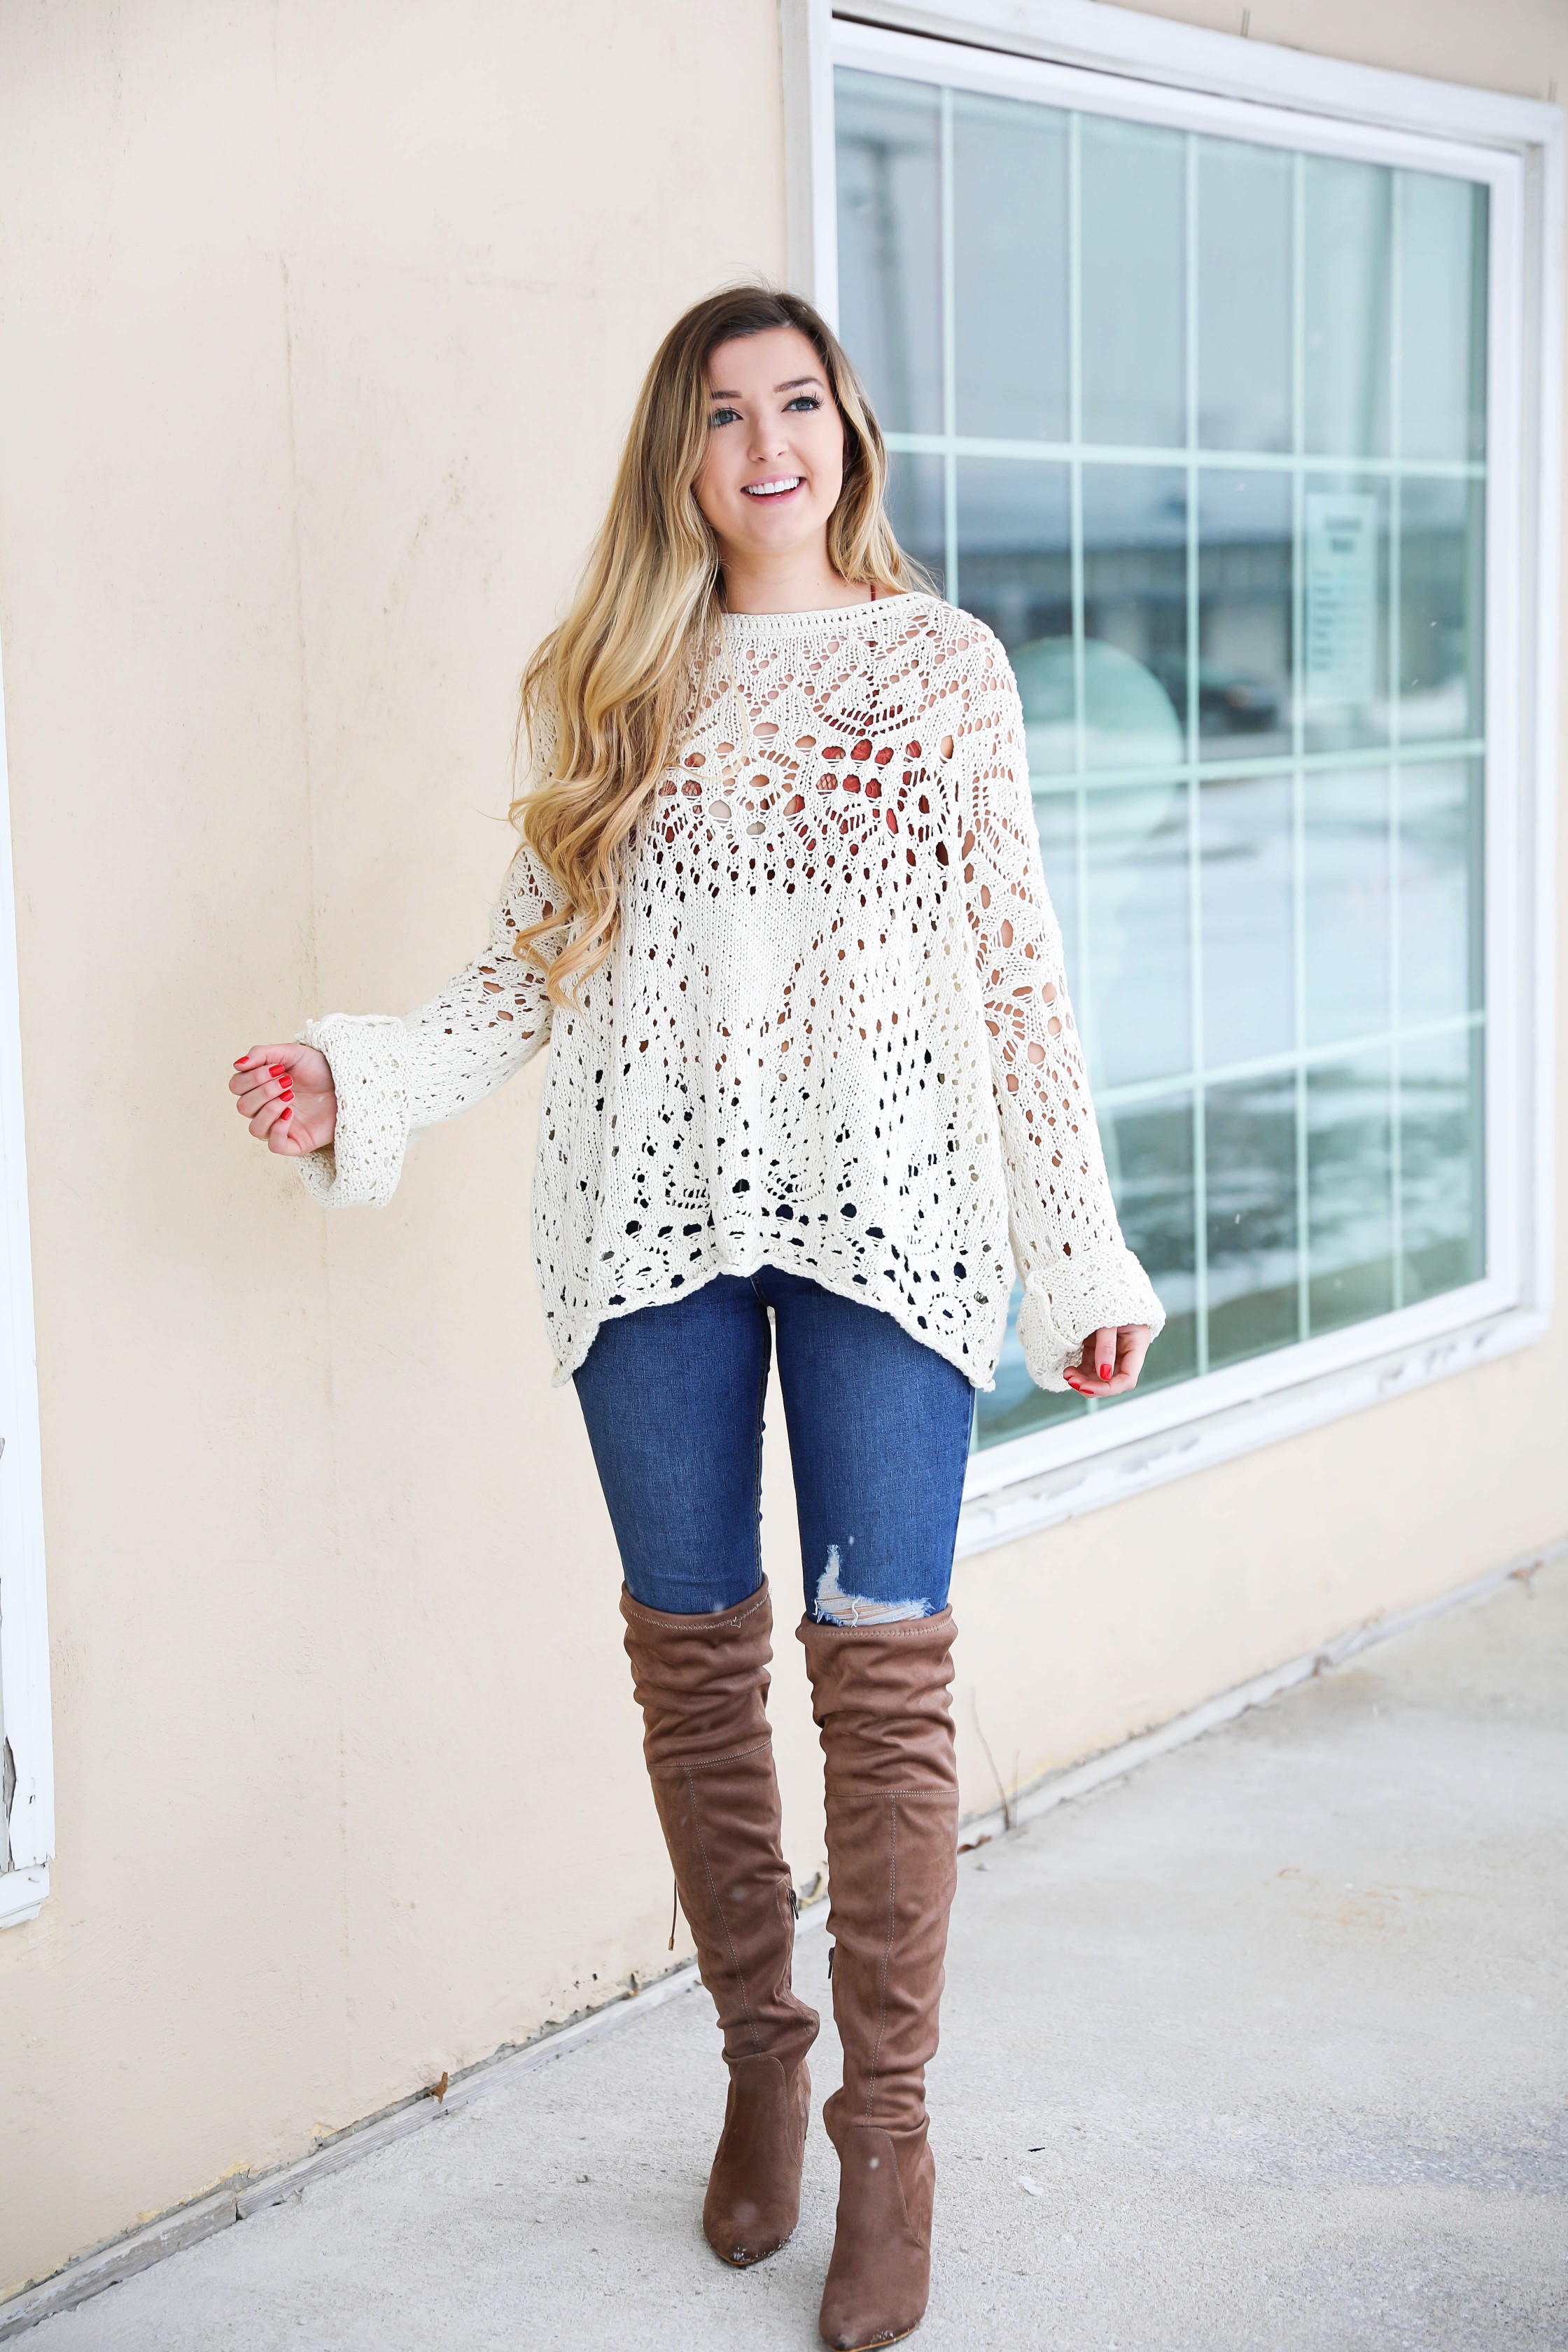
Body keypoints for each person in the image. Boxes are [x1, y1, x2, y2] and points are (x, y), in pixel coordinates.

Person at [228, 285, 1163, 2351]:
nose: (767, 444)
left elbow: (1019, 979)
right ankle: (760, 2050)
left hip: (891, 1223)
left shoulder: (941, 673)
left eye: (799, 404)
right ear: (681, 453)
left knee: (884, 1671)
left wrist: (1077, 1255)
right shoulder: (610, 682)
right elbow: (517, 976)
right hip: (641, 1229)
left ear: (849, 434)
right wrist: (354, 1076)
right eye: (725, 413)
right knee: (691, 1662)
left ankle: (887, 2133)